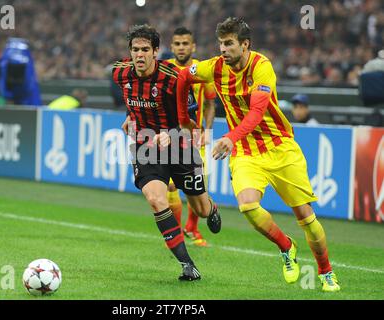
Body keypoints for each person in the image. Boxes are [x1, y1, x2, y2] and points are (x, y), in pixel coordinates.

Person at [177, 17, 340, 292]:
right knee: (248, 206)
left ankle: (326, 273)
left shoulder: (262, 67)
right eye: (220, 43)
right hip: (246, 153)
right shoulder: (214, 67)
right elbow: (183, 76)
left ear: (245, 44)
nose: (223, 49)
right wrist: (184, 119)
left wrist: (229, 136)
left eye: (228, 44)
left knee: (306, 218)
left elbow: (257, 111)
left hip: (280, 147)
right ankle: (286, 247)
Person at [112, 24, 221, 281]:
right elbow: (132, 98)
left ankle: (213, 208)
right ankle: (187, 265)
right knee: (155, 198)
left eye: (145, 50)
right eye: (135, 50)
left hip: (180, 145)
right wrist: (129, 116)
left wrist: (170, 134)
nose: (140, 55)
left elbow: (190, 121)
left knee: (202, 209)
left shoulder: (173, 78)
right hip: (146, 145)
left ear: (156, 51)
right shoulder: (120, 73)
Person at [166, 27, 217, 247]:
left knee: (195, 188)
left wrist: (208, 128)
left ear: (193, 46)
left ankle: (192, 227)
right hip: (170, 136)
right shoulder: (165, 69)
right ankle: (178, 233)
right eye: (177, 44)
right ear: (171, 47)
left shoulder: (202, 70)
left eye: (185, 44)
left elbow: (211, 104)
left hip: (195, 137)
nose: (181, 48)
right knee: (170, 186)